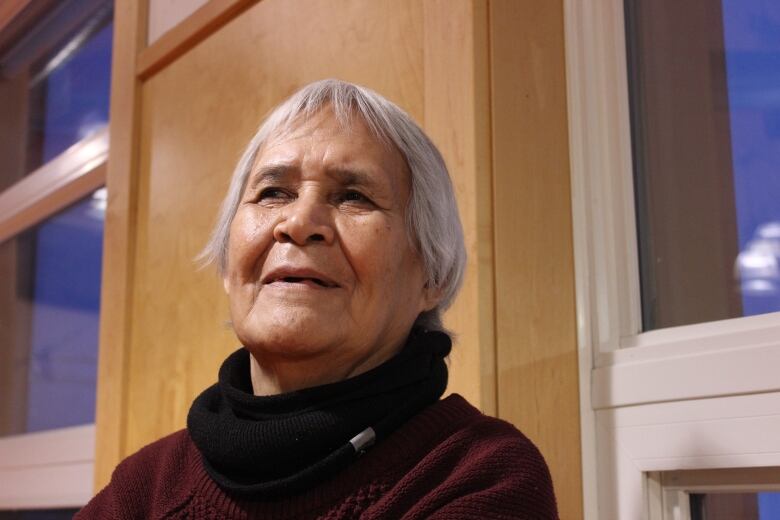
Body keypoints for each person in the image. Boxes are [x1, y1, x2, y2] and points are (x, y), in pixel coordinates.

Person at [77, 79, 558, 519]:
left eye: (353, 197)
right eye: (272, 192)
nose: (299, 222)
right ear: (228, 264)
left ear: (431, 274)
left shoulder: (479, 475)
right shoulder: (145, 486)